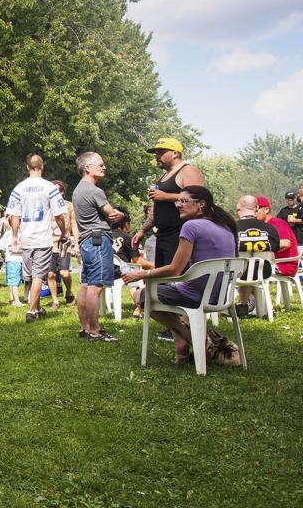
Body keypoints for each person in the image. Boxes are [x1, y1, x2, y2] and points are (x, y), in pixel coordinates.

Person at [122, 185, 238, 365]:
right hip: (220, 296)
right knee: (159, 292)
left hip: (196, 295)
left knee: (143, 296)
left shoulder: (191, 226)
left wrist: (142, 274)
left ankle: (198, 340)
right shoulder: (226, 226)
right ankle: (200, 343)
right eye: (178, 201)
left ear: (201, 204)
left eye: (184, 201)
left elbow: (175, 269)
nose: (178, 205)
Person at [5, 154, 69, 324]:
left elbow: (14, 215)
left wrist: (14, 235)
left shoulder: (19, 188)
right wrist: (64, 233)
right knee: (39, 276)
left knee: (32, 276)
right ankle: (32, 310)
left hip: (26, 238)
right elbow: (59, 215)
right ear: (42, 167)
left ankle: (38, 308)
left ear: (27, 167)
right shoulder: (49, 187)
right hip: (42, 238)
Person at [72, 152, 124, 341]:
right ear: (87, 168)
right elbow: (111, 214)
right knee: (96, 286)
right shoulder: (94, 191)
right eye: (100, 165)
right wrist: (118, 214)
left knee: (85, 284)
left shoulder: (78, 190)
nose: (104, 167)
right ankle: (95, 330)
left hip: (86, 241)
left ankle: (84, 328)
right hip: (98, 240)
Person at [132, 137, 205, 268]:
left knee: (175, 278)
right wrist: (142, 230)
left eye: (160, 152)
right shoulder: (164, 176)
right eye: (155, 153)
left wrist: (165, 196)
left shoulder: (188, 171)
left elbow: (198, 199)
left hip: (181, 234)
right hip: (162, 235)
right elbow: (157, 207)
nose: (156, 156)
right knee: (162, 280)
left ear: (175, 153)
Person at [233, 195, 283, 315]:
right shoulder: (270, 229)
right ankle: (247, 304)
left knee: (243, 265)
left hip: (237, 273)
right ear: (256, 208)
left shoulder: (231, 228)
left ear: (237, 209)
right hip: (263, 272)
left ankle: (240, 304)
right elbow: (275, 248)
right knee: (252, 266)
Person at [48, 179, 79, 307]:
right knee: (50, 274)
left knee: (64, 273)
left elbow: (74, 225)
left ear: (62, 192)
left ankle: (69, 292)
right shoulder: (45, 205)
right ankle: (55, 300)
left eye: (59, 190)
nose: (57, 193)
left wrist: (77, 243)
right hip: (49, 243)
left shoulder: (69, 206)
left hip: (64, 243)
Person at [256, 196, 299, 276]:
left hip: (284, 265)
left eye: (256, 209)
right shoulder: (260, 226)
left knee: (251, 271)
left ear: (266, 210)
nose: (253, 213)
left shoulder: (278, 223)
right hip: (269, 262)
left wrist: (260, 247)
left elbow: (286, 243)